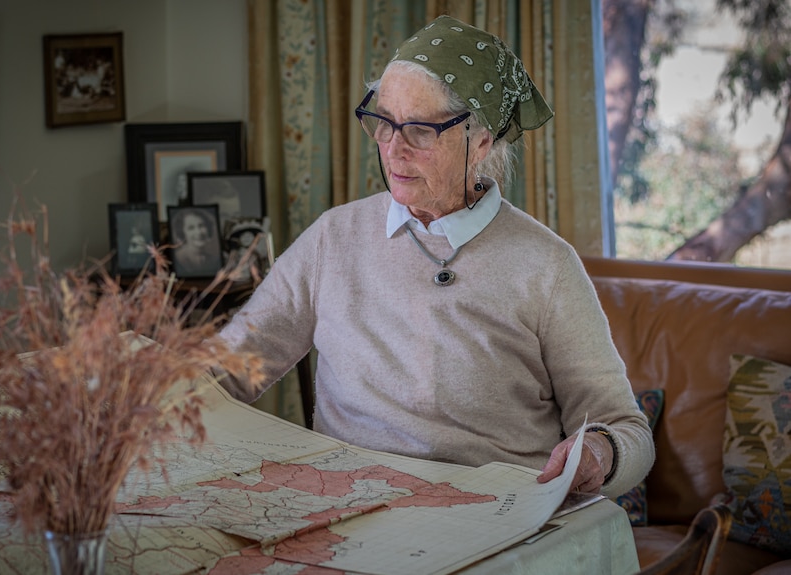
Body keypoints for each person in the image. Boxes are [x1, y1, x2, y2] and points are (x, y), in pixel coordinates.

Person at [217, 15, 654, 498]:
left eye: (420, 130)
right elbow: (229, 365)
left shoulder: (547, 265)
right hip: (348, 508)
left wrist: (599, 451)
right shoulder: (332, 239)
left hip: (492, 517)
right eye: (383, 122)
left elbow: (626, 429)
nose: (393, 149)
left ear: (481, 141)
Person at [170, 208, 222, 277]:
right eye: (191, 228)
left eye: (201, 226)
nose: (199, 232)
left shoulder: (212, 259)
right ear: (182, 233)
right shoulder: (179, 259)